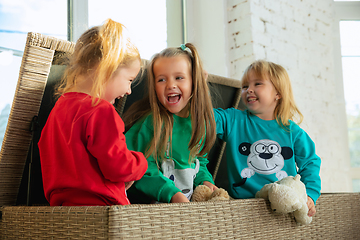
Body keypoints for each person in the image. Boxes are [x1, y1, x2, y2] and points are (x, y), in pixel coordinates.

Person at [38, 19, 148, 206]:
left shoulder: (59, 109)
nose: (129, 90)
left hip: (61, 208)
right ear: (108, 69)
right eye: (129, 79)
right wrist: (141, 162)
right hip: (102, 207)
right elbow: (119, 167)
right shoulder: (102, 110)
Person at [214, 60, 321, 217]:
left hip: (284, 205)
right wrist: (198, 86)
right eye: (244, 86)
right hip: (242, 206)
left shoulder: (293, 132)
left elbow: (310, 163)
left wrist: (310, 194)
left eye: (257, 84)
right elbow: (204, 119)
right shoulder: (232, 119)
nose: (248, 90)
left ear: (278, 93)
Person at [124, 43, 217, 203]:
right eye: (161, 79)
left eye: (179, 77)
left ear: (195, 82)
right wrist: (172, 194)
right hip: (153, 211)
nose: (170, 85)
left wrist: (206, 182)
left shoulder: (200, 123)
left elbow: (198, 162)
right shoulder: (151, 123)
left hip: (184, 210)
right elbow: (142, 168)